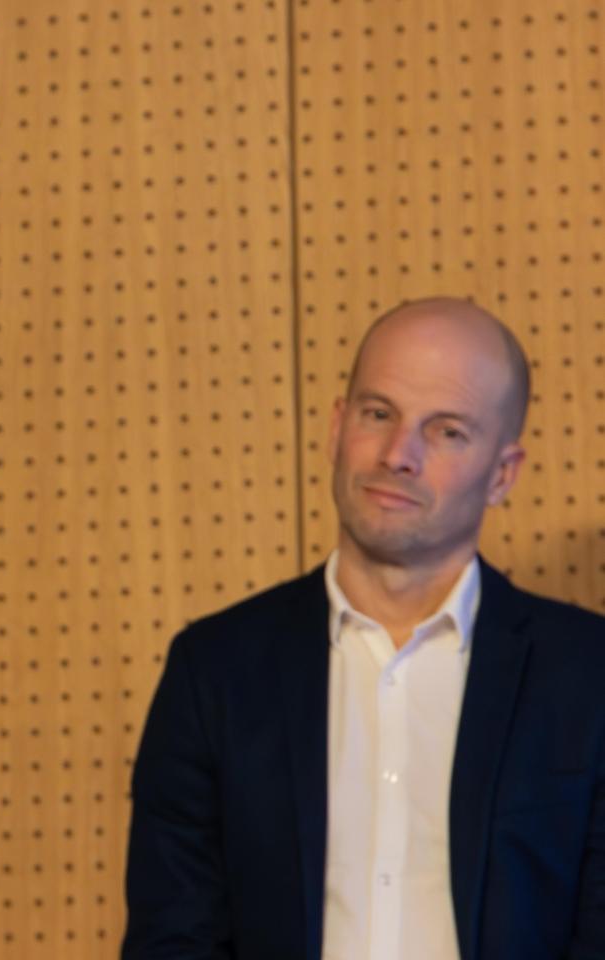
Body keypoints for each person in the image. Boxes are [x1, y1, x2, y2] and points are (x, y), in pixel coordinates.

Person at [123, 298, 605, 958]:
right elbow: (173, 940)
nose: (398, 454)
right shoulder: (214, 672)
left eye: (447, 432)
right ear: (336, 428)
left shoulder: (589, 678)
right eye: (378, 414)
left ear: (502, 475)